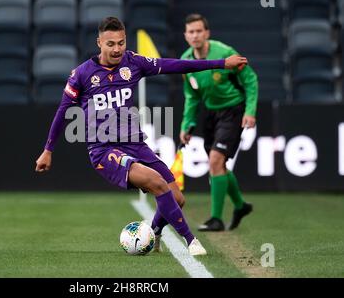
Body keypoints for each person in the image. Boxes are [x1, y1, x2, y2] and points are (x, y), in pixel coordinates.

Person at [35, 17, 247, 255]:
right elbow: (63, 111)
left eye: (121, 43)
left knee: (176, 198)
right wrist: (48, 149)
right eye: (111, 44)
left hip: (135, 144)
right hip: (104, 150)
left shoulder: (133, 62)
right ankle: (191, 241)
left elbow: (175, 65)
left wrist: (220, 63)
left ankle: (153, 233)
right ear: (99, 43)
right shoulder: (82, 74)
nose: (117, 49)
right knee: (157, 182)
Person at [179, 13, 258, 232]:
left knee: (215, 160)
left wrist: (250, 112)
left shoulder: (225, 54)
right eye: (191, 32)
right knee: (219, 165)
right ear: (186, 36)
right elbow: (192, 96)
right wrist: (187, 124)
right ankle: (241, 206)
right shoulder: (185, 62)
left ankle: (216, 219)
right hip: (210, 114)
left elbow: (250, 80)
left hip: (233, 110)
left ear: (207, 33)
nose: (195, 35)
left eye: (199, 31)